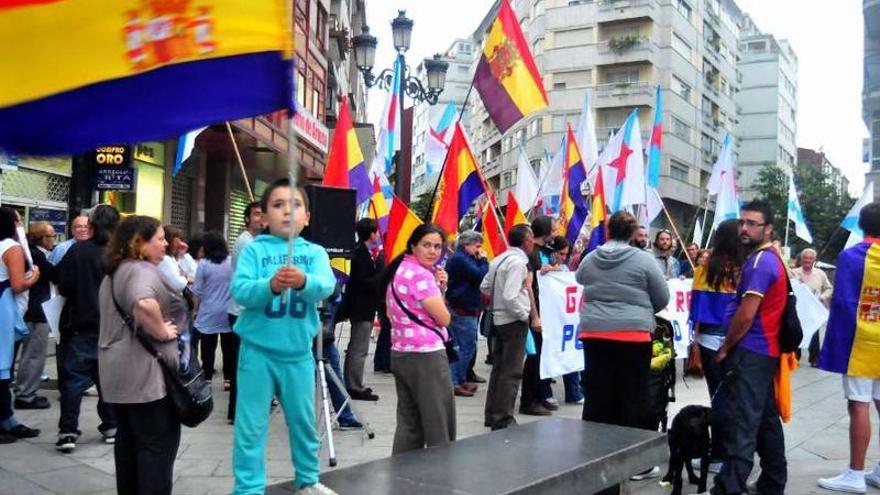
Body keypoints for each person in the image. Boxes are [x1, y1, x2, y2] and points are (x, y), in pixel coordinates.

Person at [231, 179, 336, 494]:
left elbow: (326, 285)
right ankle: (248, 488)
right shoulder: (253, 250)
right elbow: (241, 291)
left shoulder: (315, 252)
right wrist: (271, 286)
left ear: (307, 217)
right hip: (256, 352)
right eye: (278, 205)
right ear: (262, 217)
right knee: (250, 426)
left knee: (303, 422)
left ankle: (308, 479)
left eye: (296, 205)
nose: (287, 211)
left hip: (298, 354)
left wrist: (303, 281)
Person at [576, 211, 669, 481]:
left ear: (607, 232)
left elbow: (580, 278)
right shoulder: (643, 259)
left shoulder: (591, 258)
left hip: (595, 333)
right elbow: (662, 296)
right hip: (633, 334)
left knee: (597, 393)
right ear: (631, 234)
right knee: (633, 396)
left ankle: (592, 456)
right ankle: (635, 465)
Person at [99, 216, 183, 494]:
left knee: (128, 445)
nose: (165, 244)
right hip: (145, 379)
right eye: (158, 238)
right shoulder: (140, 271)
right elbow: (145, 304)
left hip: (118, 376)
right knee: (155, 448)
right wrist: (162, 331)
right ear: (139, 242)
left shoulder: (116, 271)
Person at [711, 200, 788, 495]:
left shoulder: (760, 262)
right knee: (766, 419)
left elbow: (746, 314)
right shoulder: (767, 257)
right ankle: (772, 481)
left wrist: (725, 347)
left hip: (750, 351)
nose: (744, 228)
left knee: (742, 422)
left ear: (767, 229)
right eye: (742, 222)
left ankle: (729, 487)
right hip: (761, 352)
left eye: (752, 224)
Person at [816, 202, 880, 493]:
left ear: (861, 225)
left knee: (858, 405)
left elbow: (842, 303)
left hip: (861, 343)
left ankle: (855, 474)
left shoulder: (851, 256)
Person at [383, 224, 456, 453]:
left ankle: (402, 476)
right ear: (413, 245)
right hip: (426, 356)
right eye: (426, 245)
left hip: (401, 351)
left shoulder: (399, 269)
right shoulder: (422, 276)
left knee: (409, 423)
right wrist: (439, 290)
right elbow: (444, 318)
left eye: (437, 246)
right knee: (439, 423)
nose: (433, 251)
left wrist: (440, 286)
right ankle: (441, 475)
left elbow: (389, 312)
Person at [55, 204, 119, 453]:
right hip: (112, 328)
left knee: (72, 382)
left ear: (91, 225)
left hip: (80, 325)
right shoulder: (119, 255)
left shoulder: (77, 251)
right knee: (108, 381)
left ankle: (67, 430)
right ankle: (112, 425)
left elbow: (64, 285)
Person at [688, 219, 743, 474]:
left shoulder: (704, 269)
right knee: (739, 397)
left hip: (710, 340)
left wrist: (695, 344)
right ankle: (739, 450)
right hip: (742, 339)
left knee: (718, 396)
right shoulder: (747, 268)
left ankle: (720, 454)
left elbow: (697, 311)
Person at [481, 223, 534, 431]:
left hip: (499, 318)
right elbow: (511, 295)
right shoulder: (518, 263)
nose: (532, 242)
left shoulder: (499, 258)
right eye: (530, 238)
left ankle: (491, 413)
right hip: (513, 321)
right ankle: (503, 417)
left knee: (499, 369)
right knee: (511, 371)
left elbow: (484, 286)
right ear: (526, 240)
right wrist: (523, 314)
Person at [0, 207, 41, 443]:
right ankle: (4, 420)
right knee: (4, 362)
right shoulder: (11, 247)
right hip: (4, 306)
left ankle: (6, 418)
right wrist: (34, 276)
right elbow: (17, 284)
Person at [192, 231, 238, 422]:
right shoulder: (231, 262)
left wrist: (195, 309)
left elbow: (198, 290)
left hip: (208, 310)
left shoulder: (203, 264)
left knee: (208, 345)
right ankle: (228, 378)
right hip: (227, 309)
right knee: (228, 347)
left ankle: (208, 375)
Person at [341, 218, 384, 402]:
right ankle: (354, 385)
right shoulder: (361, 255)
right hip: (361, 307)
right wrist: (380, 277)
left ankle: (354, 383)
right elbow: (362, 282)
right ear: (371, 233)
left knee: (358, 347)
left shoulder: (364, 252)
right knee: (359, 349)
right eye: (376, 231)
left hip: (363, 306)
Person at [15, 222, 56, 409]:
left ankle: (24, 390)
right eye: (51, 236)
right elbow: (55, 274)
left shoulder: (32, 253)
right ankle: (26, 394)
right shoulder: (36, 255)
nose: (54, 240)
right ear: (42, 238)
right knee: (33, 355)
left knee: (30, 354)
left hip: (31, 310)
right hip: (35, 311)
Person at [445, 230, 489, 397]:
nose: (479, 250)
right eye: (477, 246)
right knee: (466, 347)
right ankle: (454, 381)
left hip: (466, 305)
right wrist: (484, 260)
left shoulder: (465, 258)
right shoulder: (460, 259)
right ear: (467, 244)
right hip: (462, 308)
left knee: (462, 346)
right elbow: (481, 275)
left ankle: (459, 379)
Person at [520, 216, 556, 416]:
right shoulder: (532, 254)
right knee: (534, 357)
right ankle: (528, 400)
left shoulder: (545, 252)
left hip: (545, 310)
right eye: (554, 228)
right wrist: (535, 315)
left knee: (542, 356)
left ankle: (540, 394)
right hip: (534, 312)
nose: (557, 231)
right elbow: (529, 286)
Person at [542, 236, 584, 405]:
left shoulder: (565, 269)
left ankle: (574, 392)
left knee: (569, 352)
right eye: (560, 253)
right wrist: (546, 271)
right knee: (548, 353)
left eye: (566, 254)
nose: (563, 257)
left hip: (566, 319)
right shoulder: (544, 268)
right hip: (550, 319)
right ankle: (545, 392)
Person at [792, 248, 832, 367]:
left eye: (810, 258)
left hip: (813, 308)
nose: (807, 260)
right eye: (805, 258)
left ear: (814, 260)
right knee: (796, 332)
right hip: (797, 308)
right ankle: (795, 357)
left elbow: (829, 288)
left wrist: (823, 297)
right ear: (801, 259)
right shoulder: (794, 272)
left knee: (813, 333)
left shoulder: (820, 273)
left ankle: (814, 359)